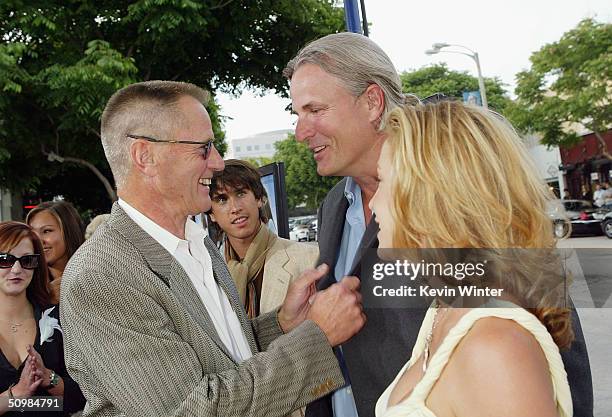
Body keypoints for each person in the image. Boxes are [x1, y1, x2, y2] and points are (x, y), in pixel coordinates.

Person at [284, 32, 593, 417]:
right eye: (297, 114)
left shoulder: (464, 184)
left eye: (314, 110)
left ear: (372, 101)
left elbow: (552, 336)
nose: (300, 131)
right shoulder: (333, 207)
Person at [60, 80, 366, 417]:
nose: (218, 162)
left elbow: (221, 354)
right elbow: (192, 409)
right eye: (203, 148)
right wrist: (317, 337)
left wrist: (281, 324)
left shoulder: (197, 243)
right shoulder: (102, 276)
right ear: (145, 156)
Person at [370, 100, 577, 417]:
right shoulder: (444, 309)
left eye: (382, 181)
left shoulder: (495, 347)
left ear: (429, 196)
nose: (372, 203)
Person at [207, 159, 319, 318]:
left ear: (259, 198)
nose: (235, 208)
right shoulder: (208, 274)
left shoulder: (309, 259)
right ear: (211, 214)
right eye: (222, 199)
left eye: (240, 193)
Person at [0, 221, 85, 416]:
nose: (16, 269)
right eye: (5, 259)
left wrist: (49, 378)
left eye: (27, 260)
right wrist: (15, 395)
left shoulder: (59, 317)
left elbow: (84, 396)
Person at [26, 201, 85, 304]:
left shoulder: (96, 276)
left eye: (46, 231)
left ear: (69, 231)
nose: (38, 240)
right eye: (32, 233)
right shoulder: (26, 284)